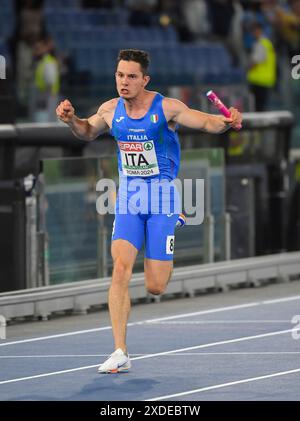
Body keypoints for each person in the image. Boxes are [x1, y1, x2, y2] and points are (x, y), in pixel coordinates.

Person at [56, 49, 242, 373]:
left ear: (145, 79)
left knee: (155, 286)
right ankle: (120, 351)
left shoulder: (166, 107)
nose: (123, 82)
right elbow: (87, 131)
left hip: (162, 199)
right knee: (120, 270)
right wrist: (72, 119)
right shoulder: (110, 110)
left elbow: (206, 122)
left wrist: (227, 122)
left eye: (130, 76)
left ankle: (173, 221)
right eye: (119, 75)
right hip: (130, 198)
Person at [246, 22, 276, 111]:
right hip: (266, 79)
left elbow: (254, 62)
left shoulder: (260, 44)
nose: (254, 33)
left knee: (258, 108)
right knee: (262, 106)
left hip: (258, 80)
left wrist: (248, 66)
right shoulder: (267, 43)